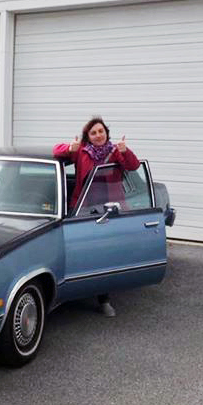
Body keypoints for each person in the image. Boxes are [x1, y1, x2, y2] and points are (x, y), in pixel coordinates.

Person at [53, 117, 141, 318]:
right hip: (83, 206)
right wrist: (70, 148)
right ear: (88, 136)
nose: (98, 135)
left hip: (109, 208)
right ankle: (74, 288)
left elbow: (133, 165)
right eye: (93, 133)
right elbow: (56, 151)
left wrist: (125, 151)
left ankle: (104, 299)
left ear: (106, 133)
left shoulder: (116, 151)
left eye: (101, 131)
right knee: (78, 249)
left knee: (105, 254)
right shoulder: (82, 151)